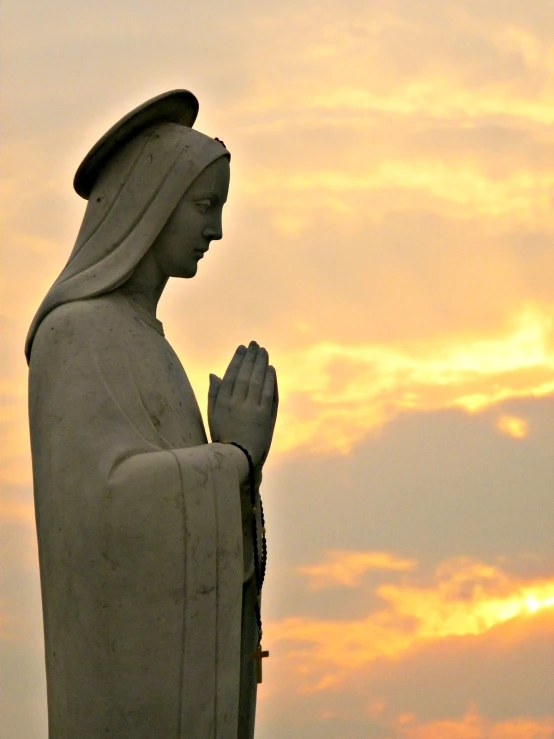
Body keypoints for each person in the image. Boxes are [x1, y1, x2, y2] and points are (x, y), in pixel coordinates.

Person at [25, 90, 278, 739]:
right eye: (204, 206)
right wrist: (234, 461)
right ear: (152, 204)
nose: (215, 230)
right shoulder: (76, 335)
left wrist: (233, 478)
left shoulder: (146, 342)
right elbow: (103, 507)